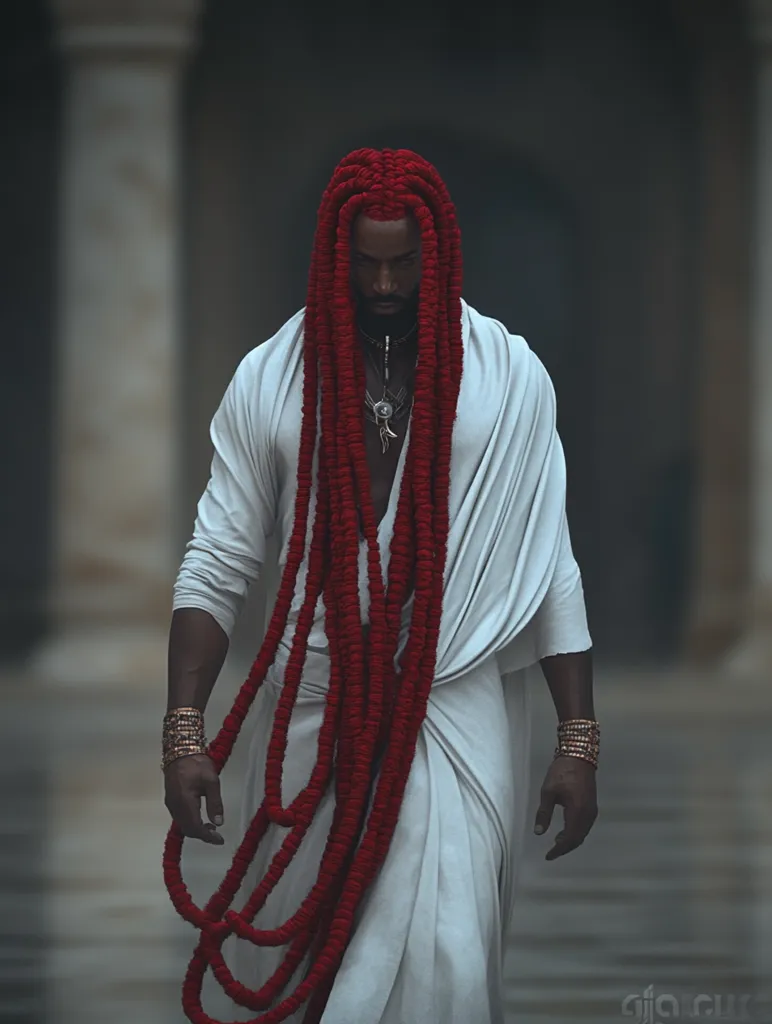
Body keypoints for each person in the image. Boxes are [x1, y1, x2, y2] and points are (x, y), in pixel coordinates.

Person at [163, 147, 598, 1024]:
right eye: (369, 264)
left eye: (407, 263)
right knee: (302, 956)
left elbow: (550, 562)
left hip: (453, 702)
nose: (389, 282)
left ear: (439, 256)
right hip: (316, 701)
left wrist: (578, 738)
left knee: (450, 951)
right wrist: (184, 729)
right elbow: (218, 555)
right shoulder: (269, 380)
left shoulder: (511, 381)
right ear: (335, 256)